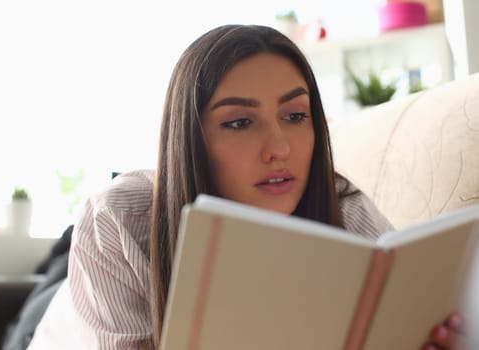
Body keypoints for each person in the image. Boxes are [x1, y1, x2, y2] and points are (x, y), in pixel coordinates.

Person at [26, 24, 468, 350]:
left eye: (295, 116)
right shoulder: (120, 216)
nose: (279, 148)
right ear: (192, 140)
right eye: (239, 122)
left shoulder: (341, 206)